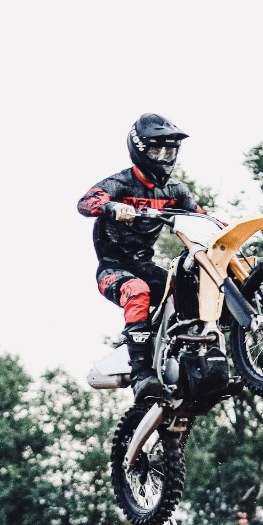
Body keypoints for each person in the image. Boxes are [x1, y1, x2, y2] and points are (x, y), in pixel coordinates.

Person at [77, 113, 204, 401]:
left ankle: (190, 358)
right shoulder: (121, 183)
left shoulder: (175, 190)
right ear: (139, 150)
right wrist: (111, 207)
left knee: (187, 287)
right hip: (113, 270)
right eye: (156, 151)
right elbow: (85, 202)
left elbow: (201, 218)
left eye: (169, 151)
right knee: (138, 291)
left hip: (145, 266)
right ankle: (141, 374)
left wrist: (224, 230)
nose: (163, 157)